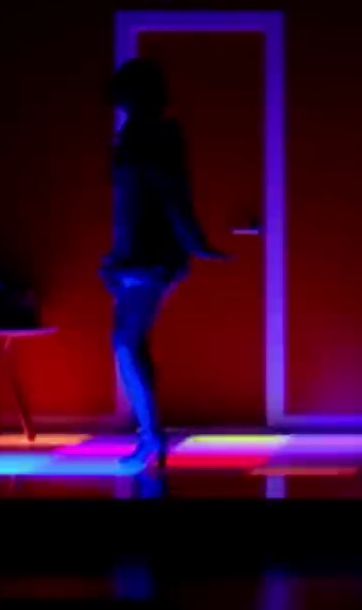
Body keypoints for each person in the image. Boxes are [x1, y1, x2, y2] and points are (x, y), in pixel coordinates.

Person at [103, 58, 227, 471]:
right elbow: (138, 201)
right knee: (131, 343)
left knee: (126, 343)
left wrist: (195, 243)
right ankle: (152, 435)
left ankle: (152, 437)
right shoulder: (141, 136)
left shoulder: (150, 137)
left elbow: (171, 197)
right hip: (138, 257)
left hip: (149, 258)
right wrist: (117, 257)